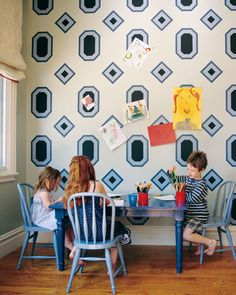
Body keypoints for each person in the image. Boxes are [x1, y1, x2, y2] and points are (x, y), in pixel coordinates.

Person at [63, 155, 131, 272]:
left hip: (80, 235)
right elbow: (108, 202)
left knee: (73, 226)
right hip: (99, 233)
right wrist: (101, 199)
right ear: (89, 170)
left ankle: (74, 249)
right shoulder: (96, 185)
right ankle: (112, 267)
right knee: (118, 230)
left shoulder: (70, 190)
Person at [167, 151, 216, 256]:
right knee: (179, 229)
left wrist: (179, 195)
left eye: (192, 170)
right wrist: (171, 173)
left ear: (202, 170)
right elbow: (175, 181)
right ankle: (200, 246)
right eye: (188, 169)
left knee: (185, 235)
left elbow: (191, 198)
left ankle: (210, 242)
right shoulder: (188, 178)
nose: (189, 173)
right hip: (189, 214)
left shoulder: (201, 185)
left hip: (198, 216)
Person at [30, 166, 74, 252]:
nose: (57, 185)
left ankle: (72, 243)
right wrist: (59, 200)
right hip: (41, 218)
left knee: (66, 220)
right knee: (60, 220)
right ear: (48, 181)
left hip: (45, 215)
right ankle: (71, 246)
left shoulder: (47, 192)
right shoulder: (43, 192)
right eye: (56, 183)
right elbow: (48, 207)